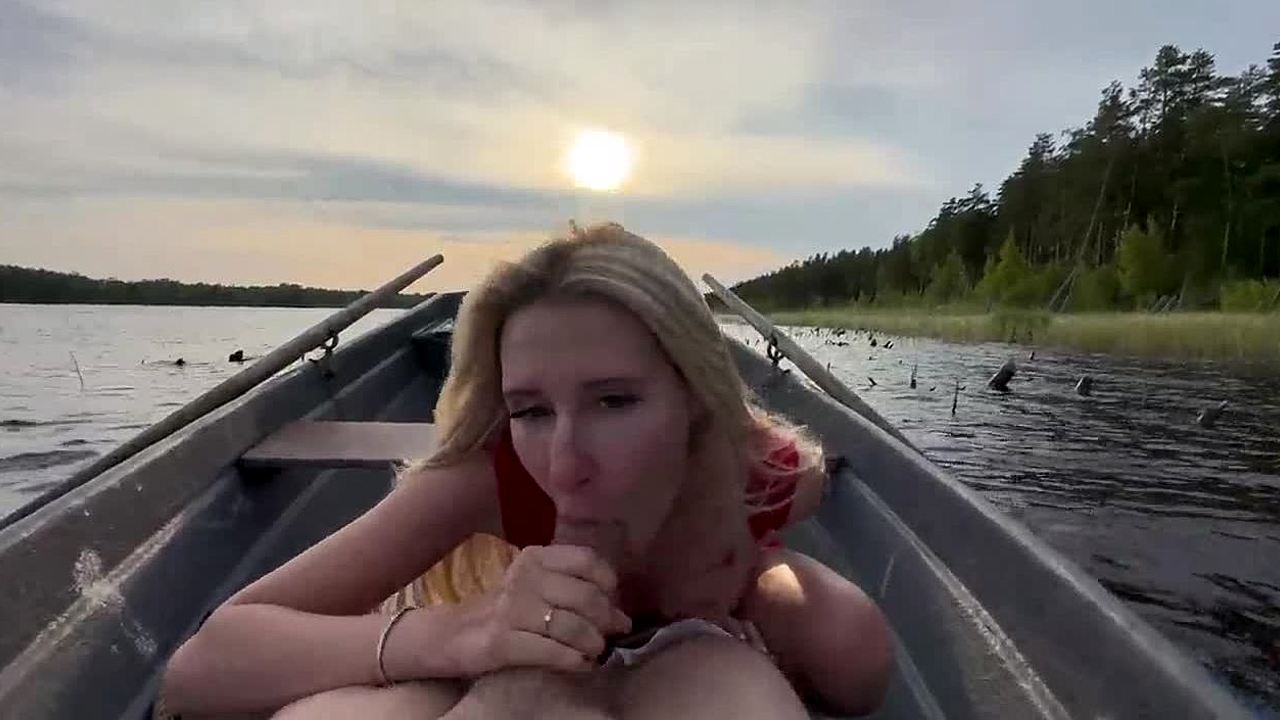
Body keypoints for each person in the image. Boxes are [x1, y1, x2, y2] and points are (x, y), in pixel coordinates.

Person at [161, 223, 893, 719]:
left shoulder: (754, 469)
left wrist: (740, 577)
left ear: (696, 403)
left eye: (614, 401)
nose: (565, 465)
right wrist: (461, 633)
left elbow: (803, 486)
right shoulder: (491, 478)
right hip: (498, 656)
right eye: (532, 410)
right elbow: (202, 667)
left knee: (849, 646)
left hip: (693, 648)